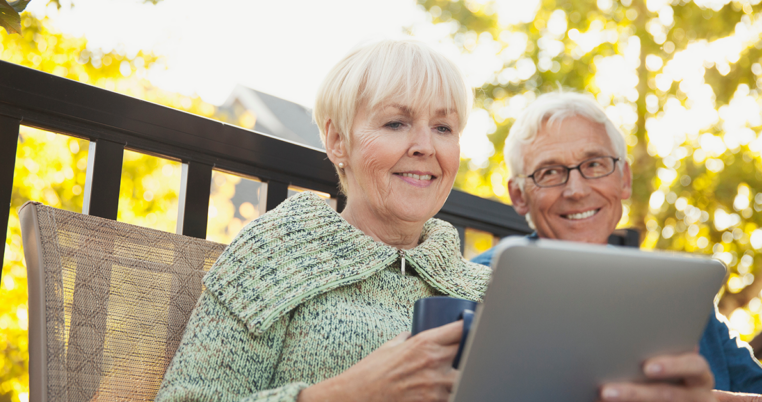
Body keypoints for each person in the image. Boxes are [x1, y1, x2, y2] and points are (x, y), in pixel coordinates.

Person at [156, 39, 490, 402]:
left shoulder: (491, 290)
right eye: (396, 123)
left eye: (443, 128)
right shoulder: (275, 253)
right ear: (338, 141)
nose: (425, 145)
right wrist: (347, 393)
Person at [472, 91, 762, 400]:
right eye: (550, 172)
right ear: (518, 195)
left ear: (624, 179)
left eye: (594, 164)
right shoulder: (472, 287)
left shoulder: (683, 296)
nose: (576, 190)